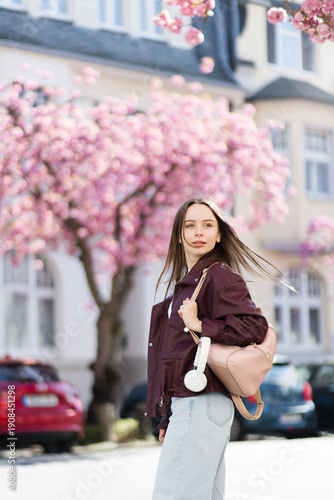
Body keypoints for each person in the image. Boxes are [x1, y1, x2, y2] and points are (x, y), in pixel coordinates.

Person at [145, 197, 289, 500]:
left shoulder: (218, 275)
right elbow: (177, 358)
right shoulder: (189, 282)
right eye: (190, 225)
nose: (199, 231)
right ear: (179, 234)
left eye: (208, 225)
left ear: (219, 233)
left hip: (201, 402)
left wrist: (201, 326)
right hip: (193, 405)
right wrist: (167, 416)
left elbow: (255, 327)